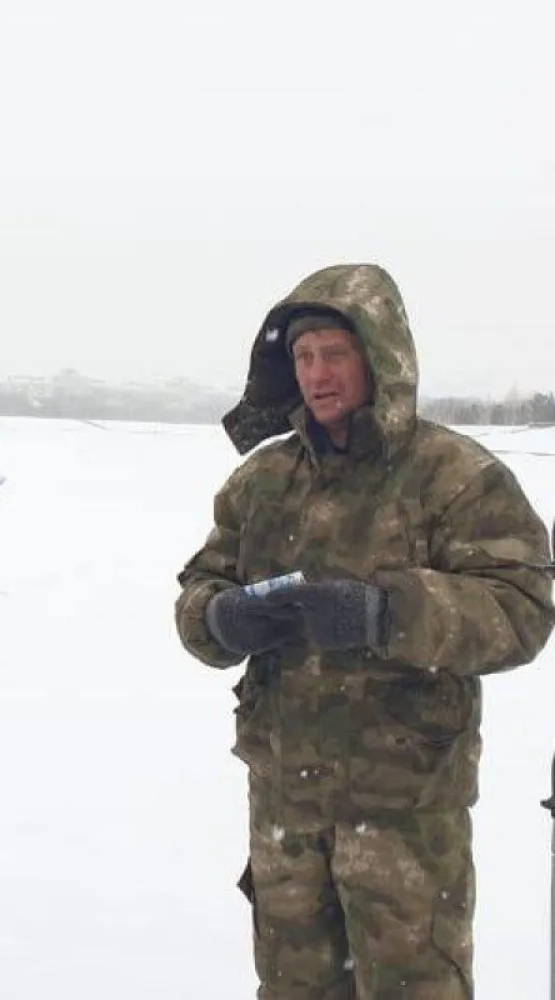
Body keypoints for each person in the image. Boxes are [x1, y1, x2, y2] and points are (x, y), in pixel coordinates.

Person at [174, 263, 554, 998]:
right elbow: (197, 591)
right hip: (286, 808)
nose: (316, 373)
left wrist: (387, 614)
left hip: (404, 816)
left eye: (334, 353)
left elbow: (523, 606)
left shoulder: (455, 476)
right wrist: (220, 617)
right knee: (293, 987)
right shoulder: (262, 483)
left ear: (380, 357)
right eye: (303, 356)